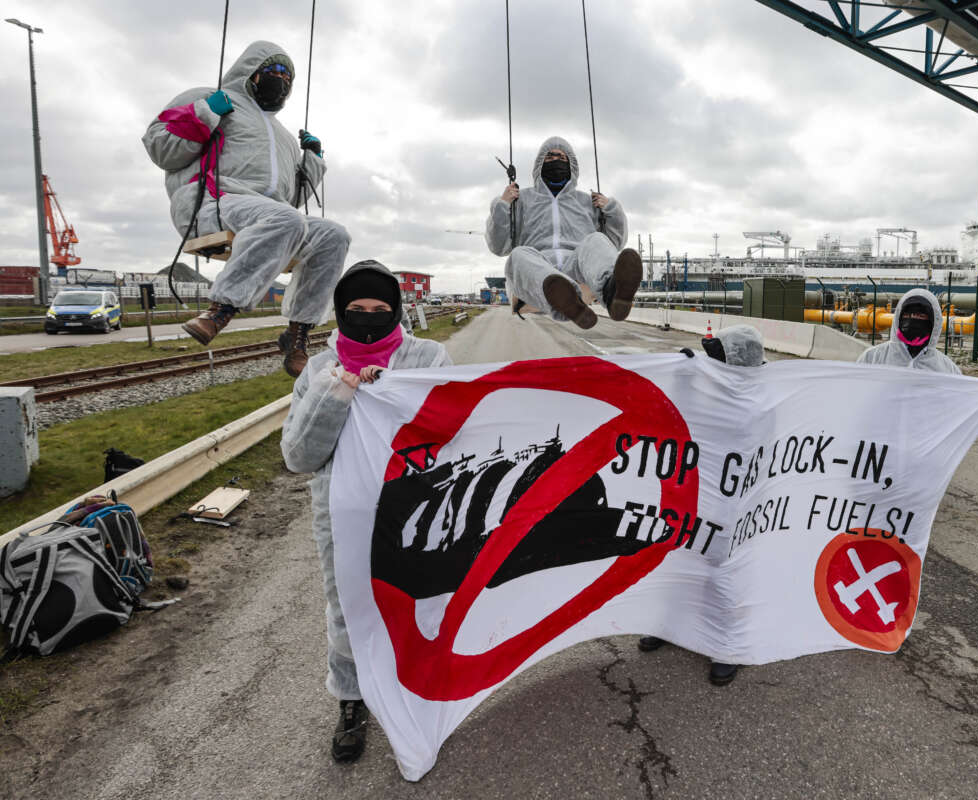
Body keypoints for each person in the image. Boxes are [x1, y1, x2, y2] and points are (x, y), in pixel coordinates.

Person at [281, 260, 452, 762]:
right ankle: (352, 700)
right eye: (357, 310)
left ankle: (419, 690)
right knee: (349, 608)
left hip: (416, 509)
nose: (370, 318)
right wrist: (340, 392)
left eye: (381, 310)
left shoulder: (426, 356)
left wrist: (393, 397)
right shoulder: (318, 368)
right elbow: (298, 457)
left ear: (397, 310)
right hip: (344, 515)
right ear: (340, 313)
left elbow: (450, 430)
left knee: (422, 598)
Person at [143, 40, 350, 377]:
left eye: (288, 76)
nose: (281, 80)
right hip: (211, 202)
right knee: (284, 218)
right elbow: (160, 147)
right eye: (274, 71)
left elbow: (291, 198)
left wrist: (313, 161)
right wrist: (206, 112)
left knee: (334, 234)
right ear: (251, 72)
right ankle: (220, 309)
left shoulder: (283, 136)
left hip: (268, 215)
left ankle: (297, 335)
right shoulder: (210, 97)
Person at [639, 324, 766, 686]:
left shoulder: (760, 396)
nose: (710, 362)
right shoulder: (714, 386)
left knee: (725, 573)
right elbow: (679, 411)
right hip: (695, 492)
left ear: (735, 361)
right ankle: (669, 625)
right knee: (678, 559)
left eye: (717, 357)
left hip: (735, 502)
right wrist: (681, 377)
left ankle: (727, 646)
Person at [485, 136, 642, 329]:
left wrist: (611, 210)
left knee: (596, 239)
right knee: (518, 255)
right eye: (549, 158)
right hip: (537, 269)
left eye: (561, 157)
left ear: (572, 165)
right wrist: (502, 205)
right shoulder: (521, 199)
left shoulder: (587, 201)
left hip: (576, 267)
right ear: (539, 165)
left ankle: (612, 293)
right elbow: (498, 247)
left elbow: (614, 244)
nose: (555, 160)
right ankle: (563, 297)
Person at [857, 288, 978, 403]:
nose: (913, 319)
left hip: (921, 448)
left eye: (921, 315)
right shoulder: (872, 357)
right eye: (908, 314)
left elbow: (965, 404)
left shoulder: (946, 368)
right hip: (879, 447)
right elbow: (851, 396)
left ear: (933, 323)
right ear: (899, 317)